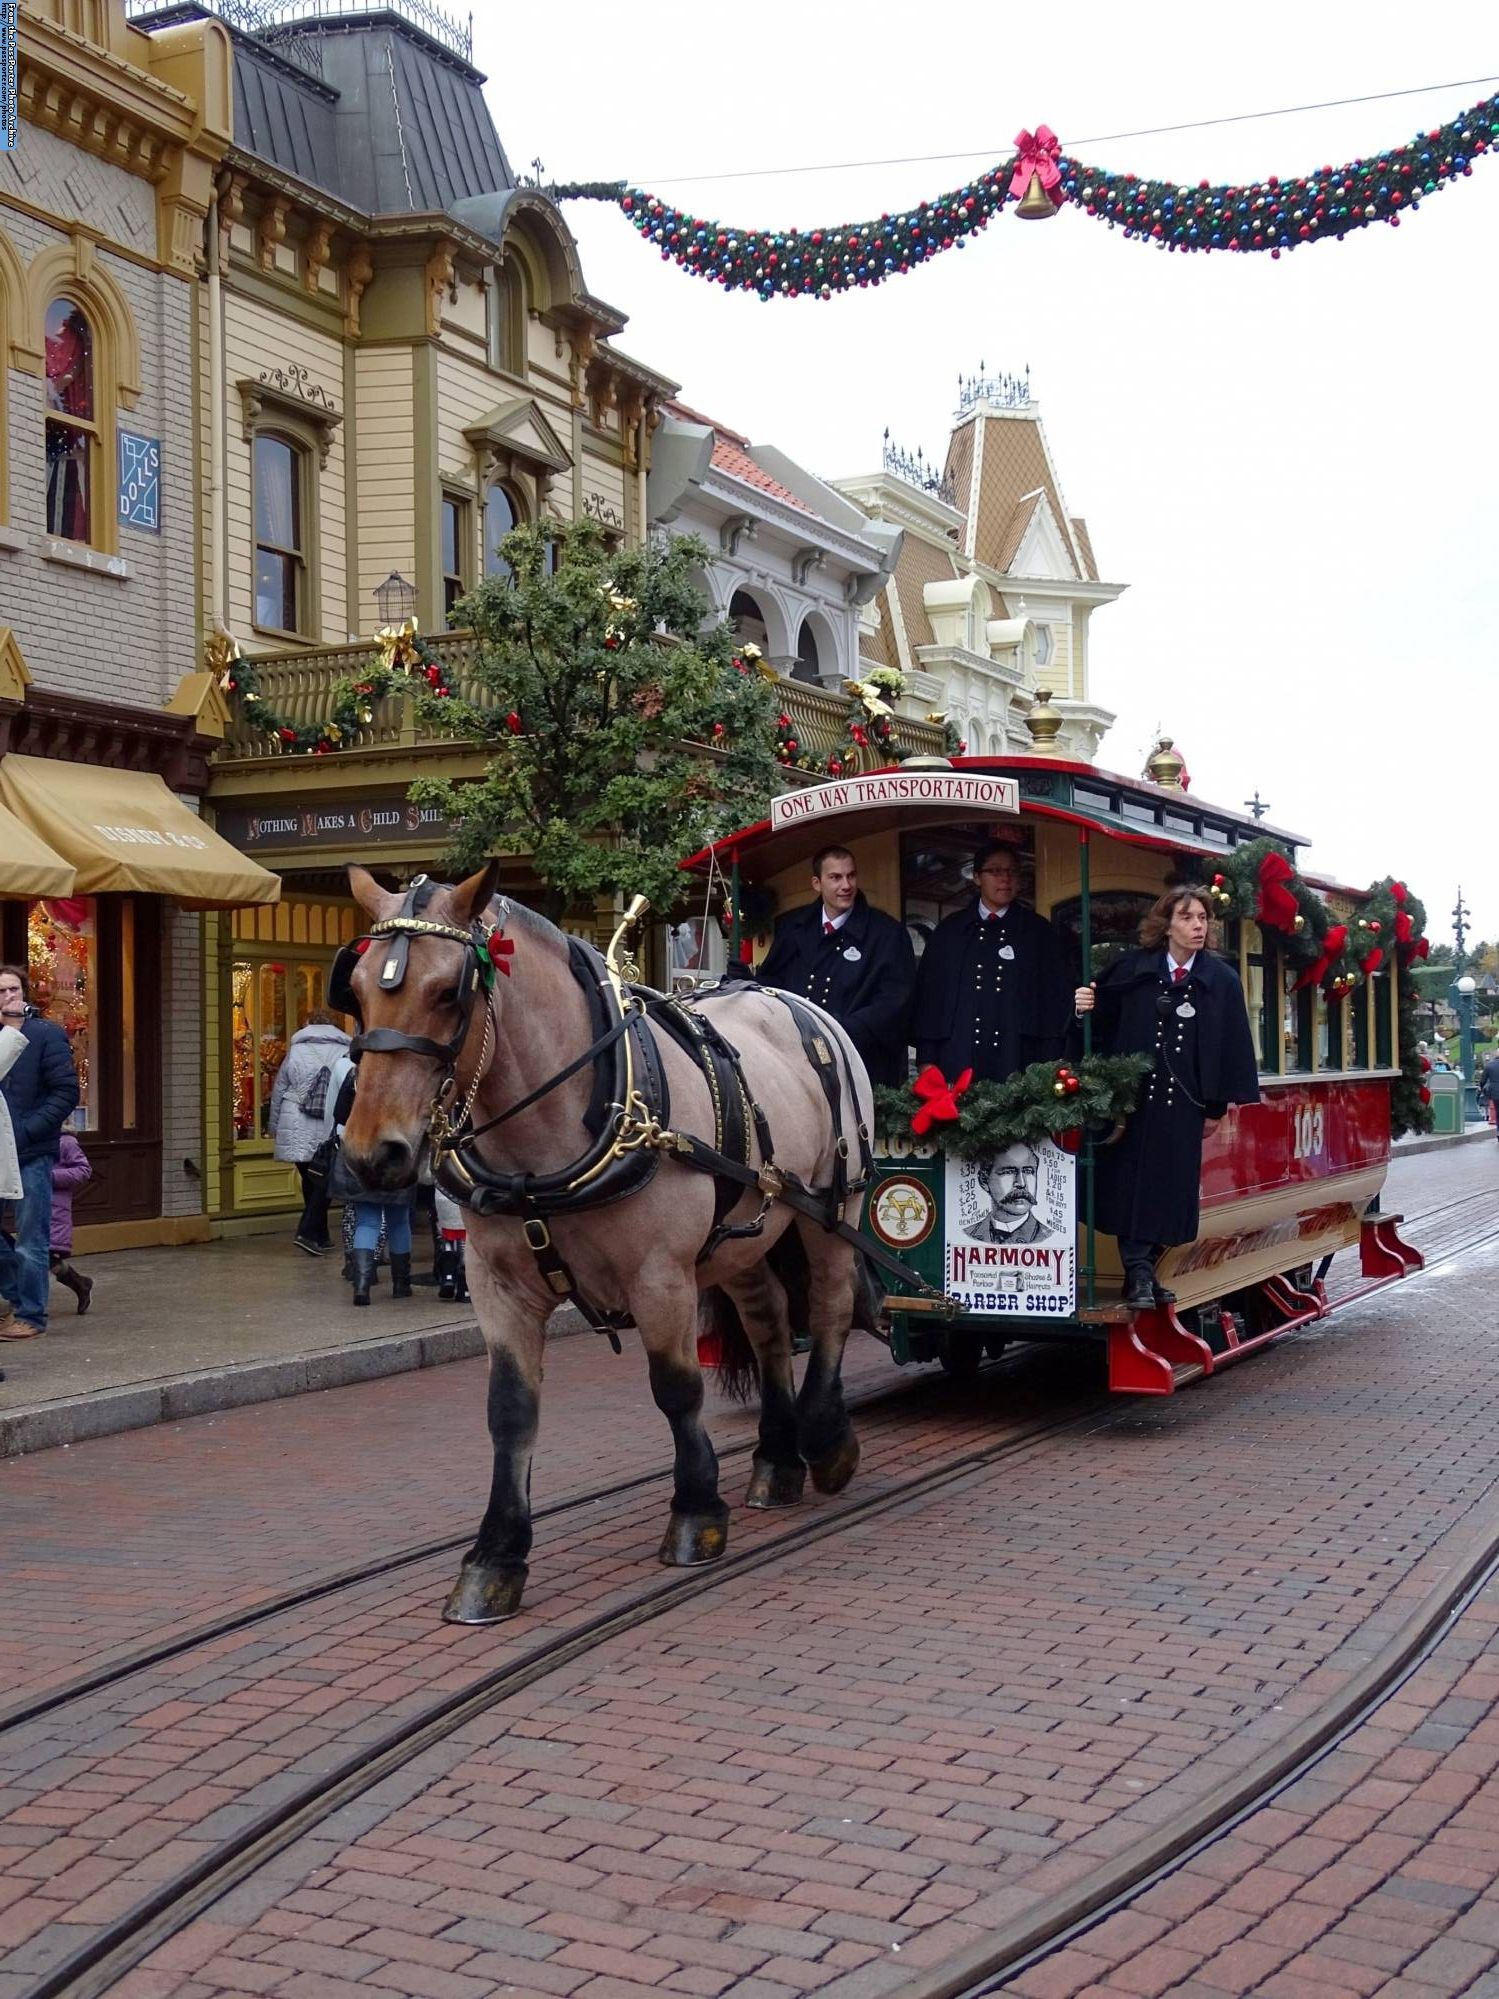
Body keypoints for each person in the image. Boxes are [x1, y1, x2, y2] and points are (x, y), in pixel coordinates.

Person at [1075, 884, 1260, 1310]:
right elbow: (1097, 1022)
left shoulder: (1220, 980)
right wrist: (1084, 1005)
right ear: (1166, 925)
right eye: (1187, 917)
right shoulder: (1131, 969)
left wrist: (1217, 1106)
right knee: (1130, 1189)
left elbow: (1232, 1045)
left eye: (1202, 918)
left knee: (1170, 1192)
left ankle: (1145, 1271)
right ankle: (1139, 1274)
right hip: (1133, 1106)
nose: (1198, 926)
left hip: (1184, 1107)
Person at [727, 844, 915, 1085]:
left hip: (859, 1066)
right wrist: (749, 982)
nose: (846, 886)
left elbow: (893, 1002)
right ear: (817, 883)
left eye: (851, 876)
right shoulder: (793, 926)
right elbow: (778, 985)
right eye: (835, 877)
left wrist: (840, 1033)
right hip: (796, 1064)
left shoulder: (887, 934)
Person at [912, 841, 1071, 1083]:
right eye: (995, 871)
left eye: (1011, 872)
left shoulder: (1039, 933)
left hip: (1020, 1060)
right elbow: (931, 999)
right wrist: (926, 1059)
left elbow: (1052, 1004)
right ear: (977, 877)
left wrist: (1050, 1064)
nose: (1005, 879)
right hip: (957, 1058)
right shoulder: (950, 931)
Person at [0, 962, 80, 1341]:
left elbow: (65, 1092)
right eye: (0, 992)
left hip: (31, 1152)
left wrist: (26, 1131)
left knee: (32, 1237)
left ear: (25, 993)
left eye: (13, 990)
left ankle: (31, 1315)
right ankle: (18, 1295)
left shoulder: (46, 1034)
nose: (7, 997)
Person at [328, 1061, 415, 1306]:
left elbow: (339, 1116)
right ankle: (401, 1284)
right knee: (399, 1221)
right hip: (398, 1152)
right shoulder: (407, 1077)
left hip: (362, 1152)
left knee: (367, 1222)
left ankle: (362, 1286)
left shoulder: (356, 1074)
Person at [268, 1009, 352, 1256]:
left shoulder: (295, 1050)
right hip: (329, 1120)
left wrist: (273, 1126)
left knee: (312, 1177)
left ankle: (317, 1233)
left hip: (295, 1119)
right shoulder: (344, 1051)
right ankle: (309, 1232)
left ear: (308, 1025)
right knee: (323, 1178)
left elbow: (279, 1089)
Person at [964, 1142, 1058, 1244]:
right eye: (1009, 1172)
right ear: (984, 1181)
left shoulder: (1048, 1236)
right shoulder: (968, 1234)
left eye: (1028, 1171)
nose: (1021, 1183)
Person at [49, 1129, 94, 1314]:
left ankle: (80, 1284)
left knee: (40, 1256)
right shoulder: (32, 1141)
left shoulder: (66, 1142)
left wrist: (51, 1176)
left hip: (55, 1211)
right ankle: (80, 1284)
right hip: (33, 1205)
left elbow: (84, 1170)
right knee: (42, 1258)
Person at [1481, 1047, 1499, 1142]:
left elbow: (1483, 1080)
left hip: (1495, 1092)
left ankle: (1498, 1131)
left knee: (1498, 1113)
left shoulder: (1490, 1065)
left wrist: (1481, 1088)